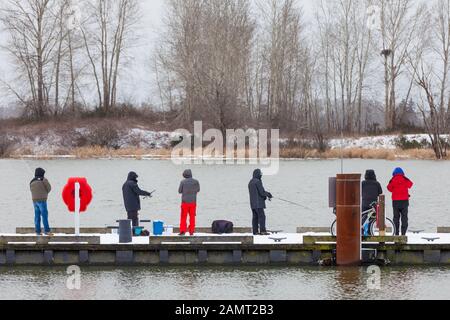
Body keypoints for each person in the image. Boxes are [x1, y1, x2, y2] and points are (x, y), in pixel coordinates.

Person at [387, 167, 414, 236]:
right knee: (404, 218)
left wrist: (394, 189)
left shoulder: (393, 180)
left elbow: (389, 188)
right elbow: (410, 184)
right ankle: (403, 234)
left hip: (395, 202)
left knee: (396, 218)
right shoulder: (405, 179)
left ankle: (396, 233)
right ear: (402, 173)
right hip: (404, 201)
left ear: (394, 173)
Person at [248, 169, 273, 236]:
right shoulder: (258, 182)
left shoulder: (250, 182)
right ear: (257, 174)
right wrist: (268, 194)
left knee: (255, 217)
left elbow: (256, 193)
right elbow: (262, 192)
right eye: (260, 174)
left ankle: (255, 231)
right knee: (262, 217)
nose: (261, 175)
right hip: (258, 204)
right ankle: (262, 231)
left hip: (252, 204)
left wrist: (264, 197)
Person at [30, 168, 53, 236]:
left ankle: (38, 231)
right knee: (44, 215)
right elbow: (49, 188)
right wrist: (44, 180)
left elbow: (31, 190)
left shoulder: (32, 181)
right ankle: (47, 231)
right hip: (42, 200)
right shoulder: (44, 180)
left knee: (37, 216)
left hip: (34, 201)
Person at [178, 169, 200, 236]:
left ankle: (182, 231)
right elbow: (198, 190)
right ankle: (191, 231)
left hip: (185, 202)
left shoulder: (183, 182)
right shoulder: (196, 181)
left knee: (183, 217)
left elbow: (179, 191)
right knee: (192, 217)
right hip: (193, 202)